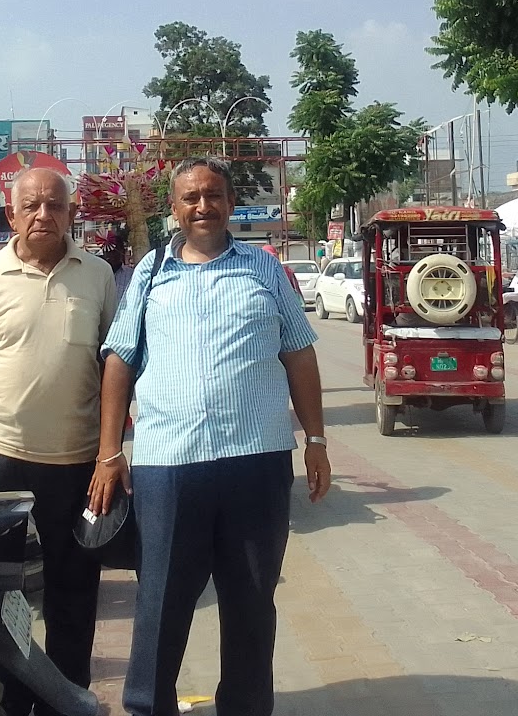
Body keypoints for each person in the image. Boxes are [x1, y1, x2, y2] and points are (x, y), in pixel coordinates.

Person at [88, 157, 330, 716]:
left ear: (229, 203)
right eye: (191, 198)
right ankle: (149, 705)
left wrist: (316, 442)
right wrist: (109, 452)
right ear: (174, 208)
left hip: (257, 460)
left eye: (214, 195)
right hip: (168, 465)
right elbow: (119, 361)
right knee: (161, 600)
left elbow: (299, 355)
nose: (203, 206)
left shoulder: (264, 268)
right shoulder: (150, 273)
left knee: (252, 600)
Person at [0, 167, 118, 715]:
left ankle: (66, 699)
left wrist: (111, 452)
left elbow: (114, 368)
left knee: (74, 590)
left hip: (75, 460)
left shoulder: (98, 276)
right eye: (31, 206)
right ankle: (5, 702)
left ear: (71, 214)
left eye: (54, 205)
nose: (43, 215)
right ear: (11, 215)